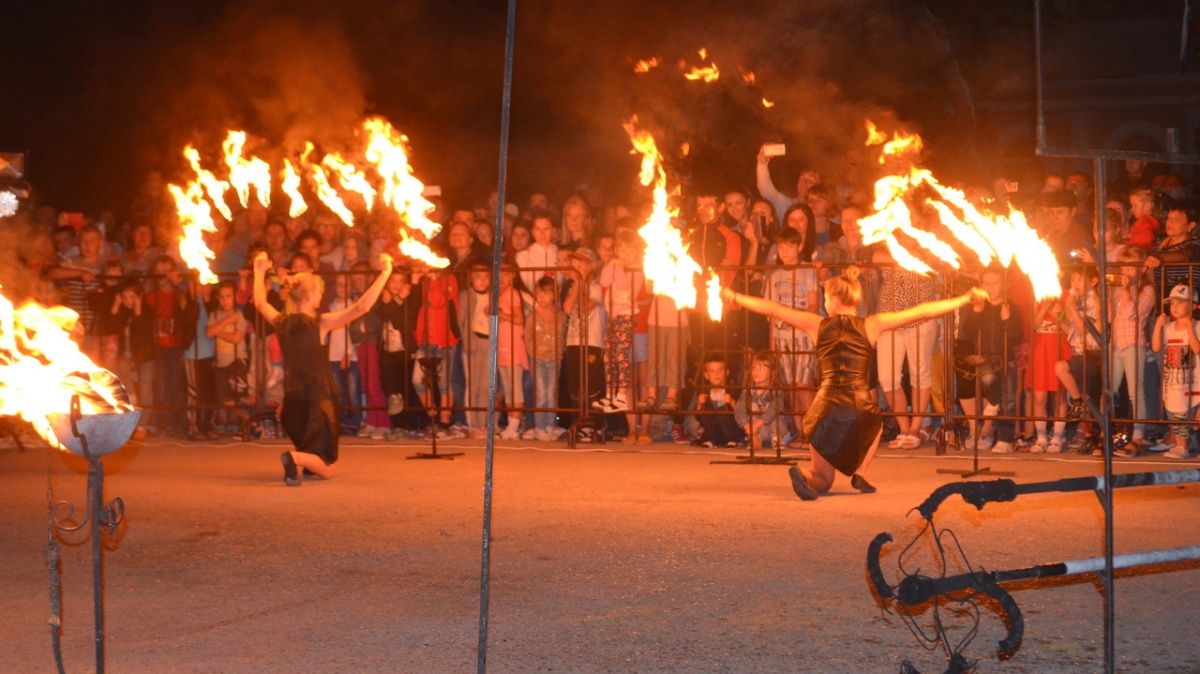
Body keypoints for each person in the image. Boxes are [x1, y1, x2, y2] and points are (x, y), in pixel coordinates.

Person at [721, 268, 987, 499]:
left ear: (834, 300)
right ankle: (860, 472)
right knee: (877, 424)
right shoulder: (872, 324)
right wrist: (964, 298)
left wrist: (735, 296)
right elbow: (920, 311)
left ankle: (804, 474)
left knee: (823, 480)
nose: (825, 303)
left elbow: (773, 308)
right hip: (857, 408)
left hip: (822, 407)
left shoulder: (816, 324)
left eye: (826, 298)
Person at [252, 250, 393, 486]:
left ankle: (303, 462)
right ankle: (294, 458)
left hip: (293, 406)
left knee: (316, 460)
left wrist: (258, 271)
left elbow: (259, 302)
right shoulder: (320, 324)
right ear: (307, 296)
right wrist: (385, 272)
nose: (321, 295)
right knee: (329, 468)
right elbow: (362, 307)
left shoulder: (281, 322)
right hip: (318, 402)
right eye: (318, 291)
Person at [1151, 284, 1200, 459]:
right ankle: (1180, 445)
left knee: (1191, 419)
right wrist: (1158, 326)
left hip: (1193, 381)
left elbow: (1196, 349)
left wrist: (1189, 328)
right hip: (1174, 381)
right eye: (1172, 303)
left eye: (1180, 302)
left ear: (1193, 306)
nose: (1175, 307)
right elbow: (1156, 347)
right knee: (1177, 416)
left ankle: (1185, 446)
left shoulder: (1198, 326)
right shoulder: (1169, 327)